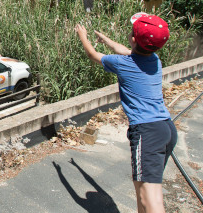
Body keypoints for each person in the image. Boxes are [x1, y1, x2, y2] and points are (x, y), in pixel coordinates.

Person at [74, 13, 176, 213]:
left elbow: (93, 55)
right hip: (166, 129)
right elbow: (127, 51)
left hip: (147, 133)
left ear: (133, 39)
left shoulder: (123, 64)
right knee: (142, 192)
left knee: (151, 198)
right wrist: (106, 40)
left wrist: (82, 36)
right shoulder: (154, 59)